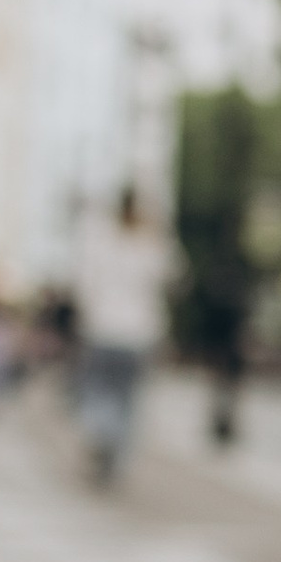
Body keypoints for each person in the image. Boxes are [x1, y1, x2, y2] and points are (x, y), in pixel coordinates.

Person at [71, 186, 170, 484]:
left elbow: (85, 284)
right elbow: (173, 277)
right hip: (137, 334)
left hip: (102, 329)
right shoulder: (150, 245)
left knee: (98, 390)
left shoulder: (101, 241)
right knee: (127, 399)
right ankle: (115, 449)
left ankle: (101, 432)